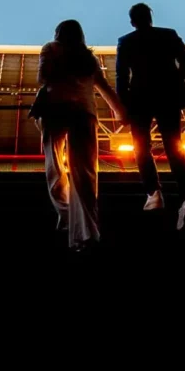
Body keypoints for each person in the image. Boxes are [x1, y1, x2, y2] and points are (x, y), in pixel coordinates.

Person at [37, 19, 124, 252]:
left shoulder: (50, 49)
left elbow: (43, 78)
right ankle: (87, 232)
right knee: (85, 174)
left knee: (54, 168)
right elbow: (104, 87)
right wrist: (121, 113)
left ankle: (66, 215)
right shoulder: (89, 58)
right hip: (85, 113)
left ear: (58, 33)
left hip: (55, 111)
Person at [116, 3, 185, 230]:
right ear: (150, 18)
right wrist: (174, 81)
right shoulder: (168, 35)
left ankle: (154, 193)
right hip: (168, 97)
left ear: (132, 21)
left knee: (141, 147)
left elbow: (121, 78)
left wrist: (123, 105)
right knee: (175, 146)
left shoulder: (126, 41)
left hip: (140, 99)